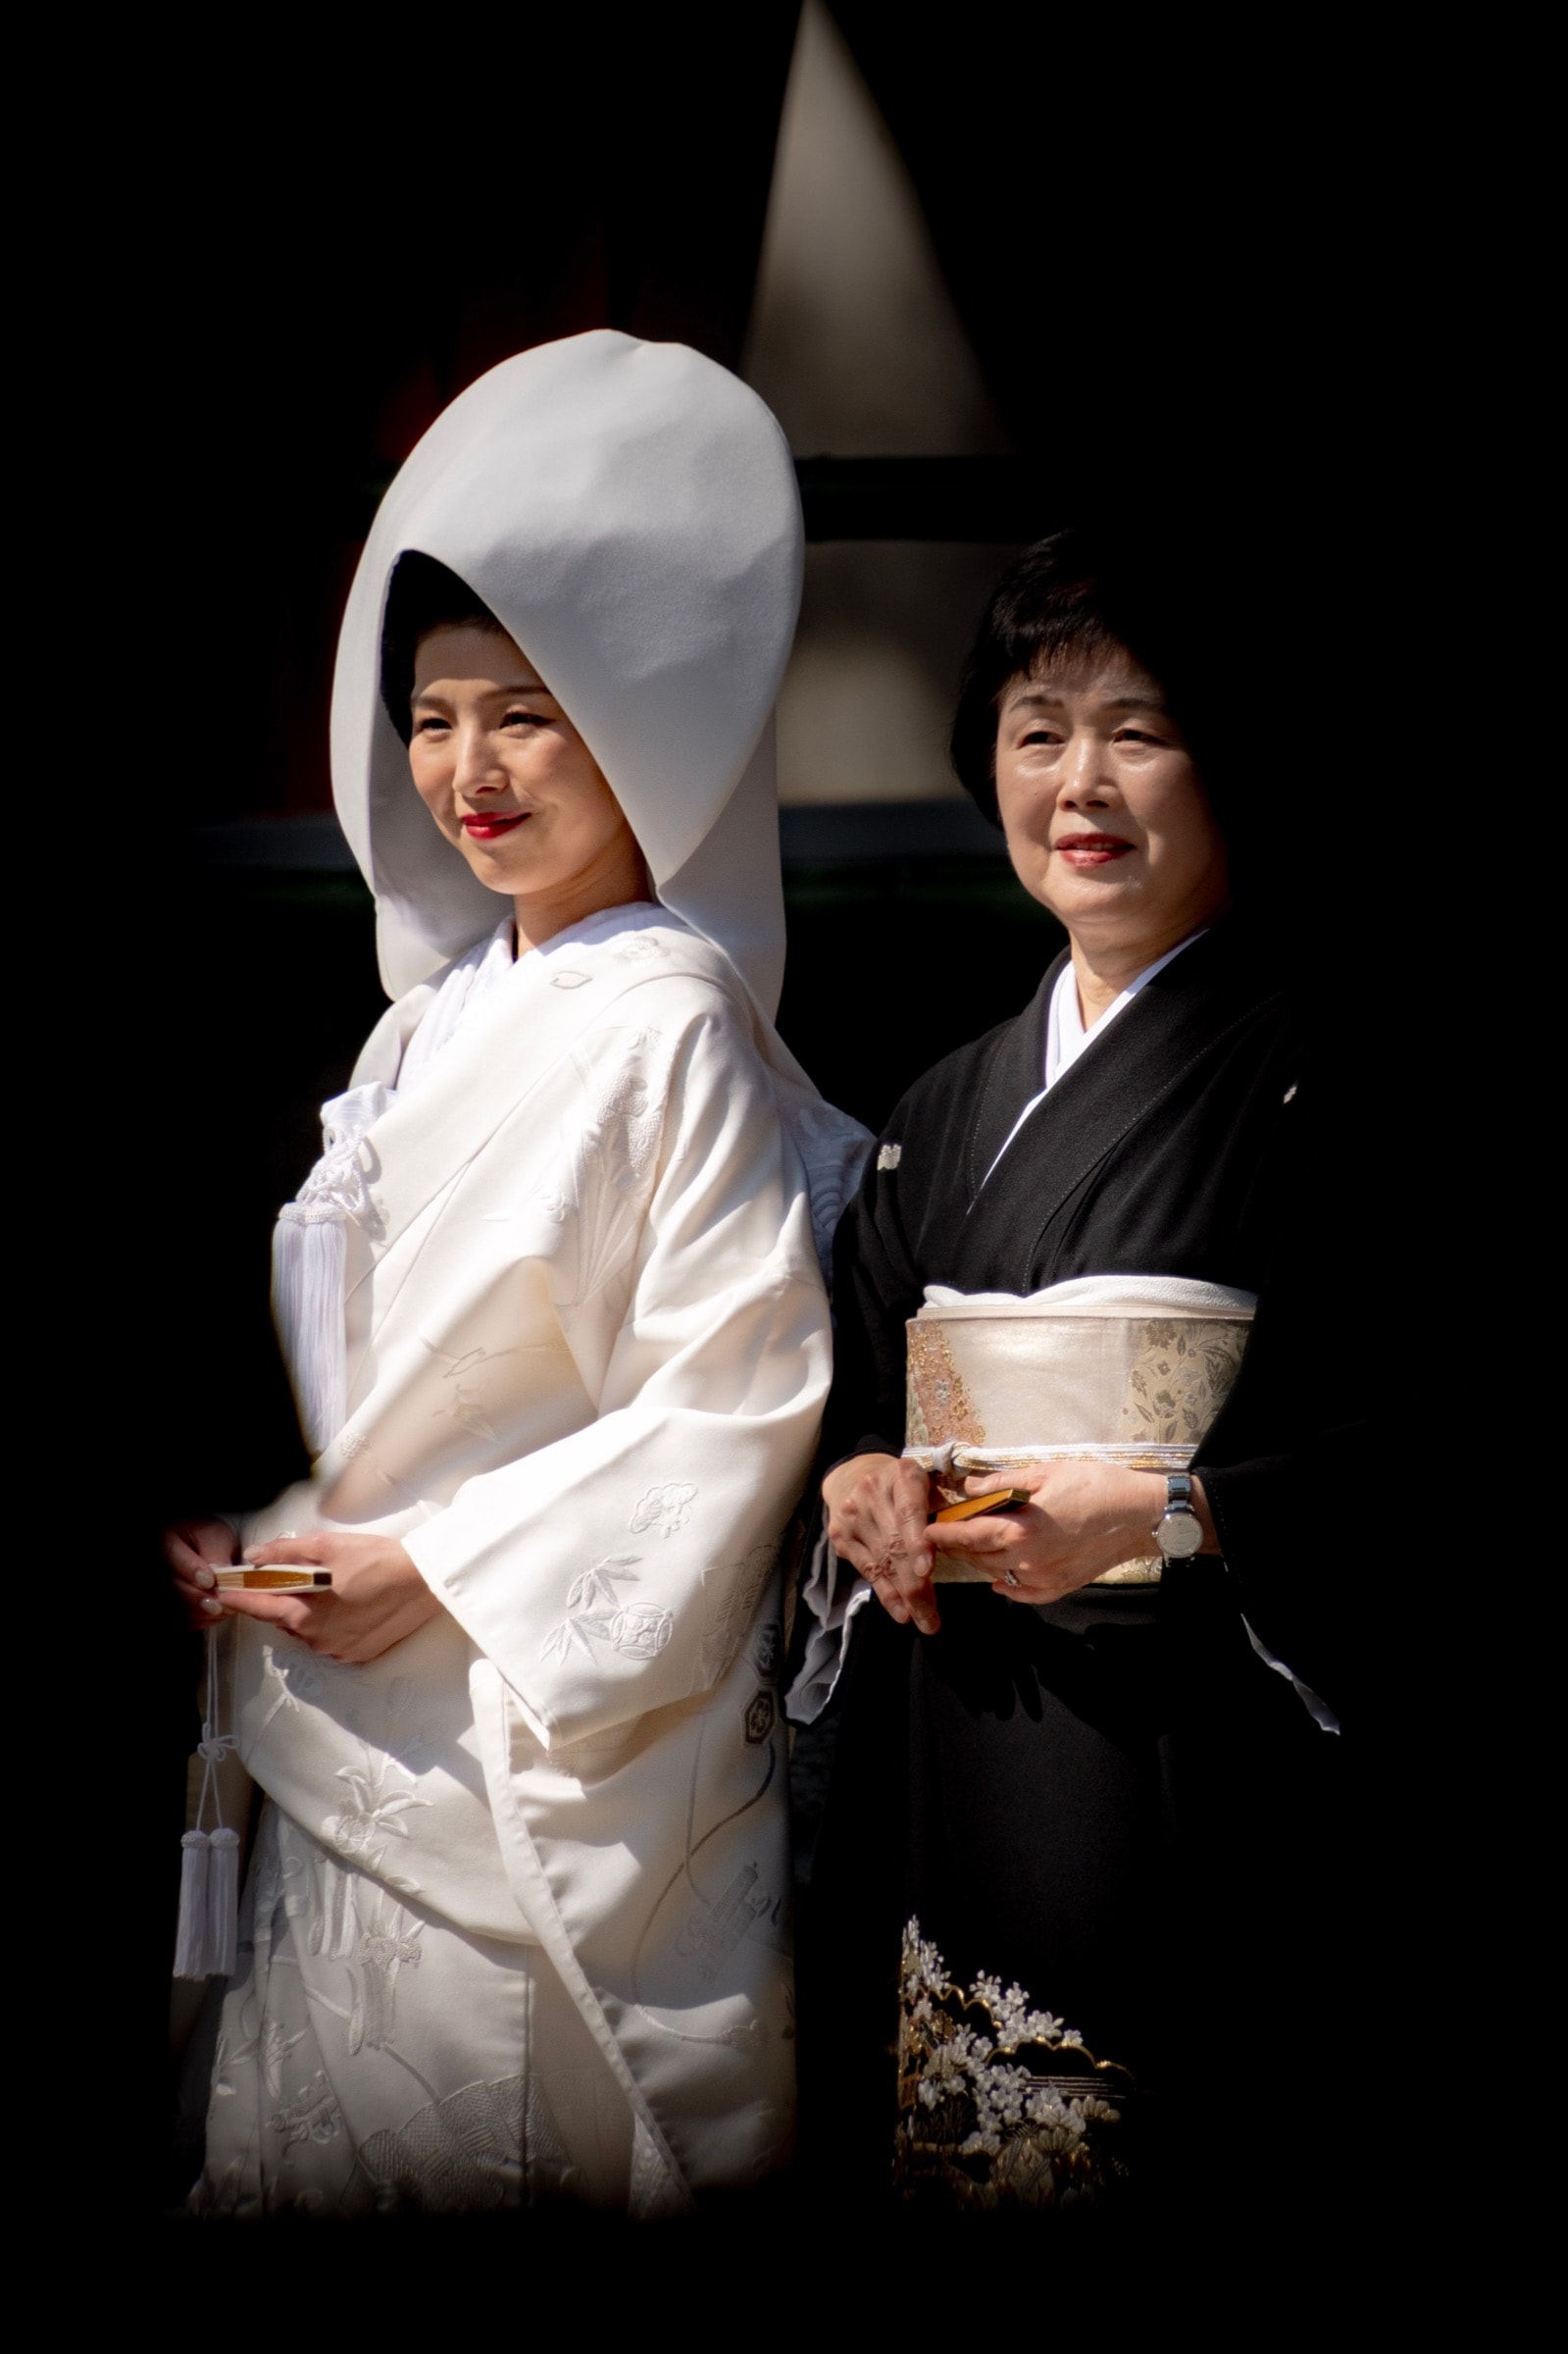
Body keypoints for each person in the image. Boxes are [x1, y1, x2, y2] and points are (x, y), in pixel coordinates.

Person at [165, 331, 867, 2220]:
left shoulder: (674, 1024)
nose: (465, 771)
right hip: (362, 1699)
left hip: (523, 1729)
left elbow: (732, 1399)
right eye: (432, 715)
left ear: (639, 722)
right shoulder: (424, 1026)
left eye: (525, 713)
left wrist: (444, 1559)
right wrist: (287, 1533)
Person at [791, 527, 1381, 2220]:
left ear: (1230, 758)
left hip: (1202, 1756)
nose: (1082, 781)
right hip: (963, 1738)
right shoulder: (939, 1112)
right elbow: (854, 1387)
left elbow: (1401, 1449)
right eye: (1038, 731)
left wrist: (1170, 1513)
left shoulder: (1318, 1075)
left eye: (1140, 728)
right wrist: (863, 1485)